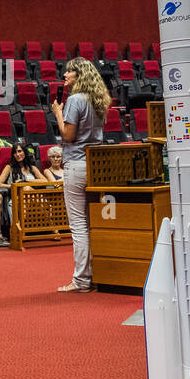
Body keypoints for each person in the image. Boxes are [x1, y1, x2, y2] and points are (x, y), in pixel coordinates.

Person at [52, 57, 107, 293]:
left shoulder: (74, 99)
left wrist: (57, 113)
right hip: (95, 165)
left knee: (78, 225)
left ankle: (82, 280)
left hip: (76, 165)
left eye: (69, 73)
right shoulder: (98, 99)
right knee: (92, 222)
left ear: (79, 75)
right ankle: (96, 274)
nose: (65, 76)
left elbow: (68, 136)